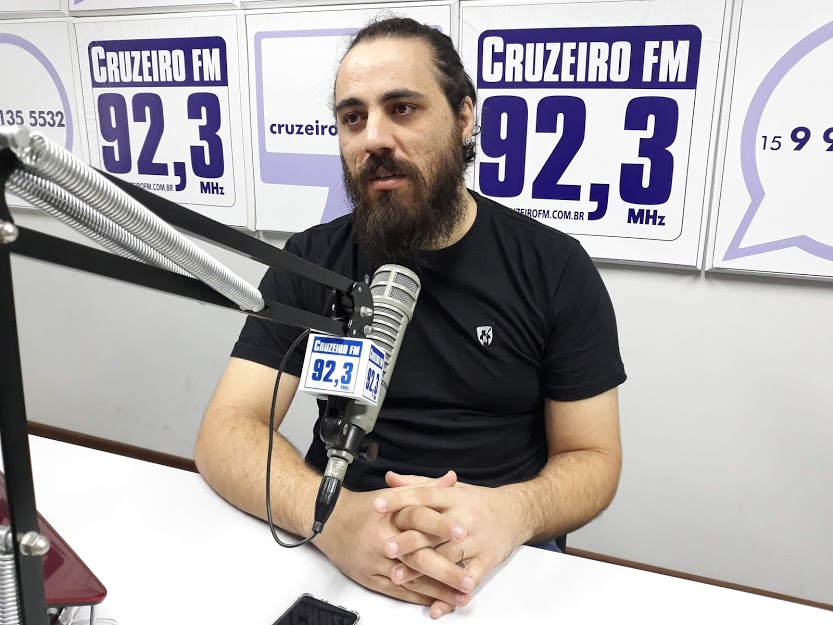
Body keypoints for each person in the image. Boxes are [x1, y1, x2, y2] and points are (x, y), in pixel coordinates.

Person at [195, 17, 626, 620]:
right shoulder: (311, 260)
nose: (374, 138)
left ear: (464, 118)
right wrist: (331, 518)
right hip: (336, 537)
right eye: (353, 118)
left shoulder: (553, 266)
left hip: (495, 553)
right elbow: (227, 428)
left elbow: (594, 457)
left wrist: (512, 514)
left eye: (402, 109)